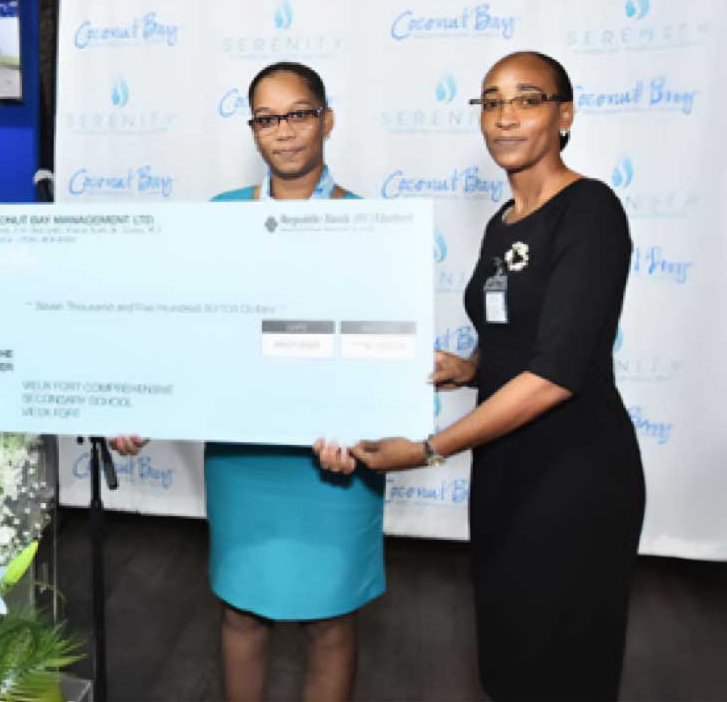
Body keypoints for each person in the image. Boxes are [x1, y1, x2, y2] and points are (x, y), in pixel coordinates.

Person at [314, 51, 645, 701]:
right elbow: (518, 338)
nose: (504, 117)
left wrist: (429, 447)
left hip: (576, 476)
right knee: (508, 652)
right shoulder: (504, 221)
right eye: (491, 101)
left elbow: (557, 370)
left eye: (526, 99)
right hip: (505, 470)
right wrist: (468, 368)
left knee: (563, 664)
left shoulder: (591, 212)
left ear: (565, 114)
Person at [112, 61, 384, 702]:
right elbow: (189, 334)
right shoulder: (219, 217)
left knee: (331, 618)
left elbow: (380, 348)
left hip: (336, 456)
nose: (284, 132)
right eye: (267, 118)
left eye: (299, 114)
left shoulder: (373, 222)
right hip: (245, 456)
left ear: (327, 118)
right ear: (253, 130)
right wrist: (144, 406)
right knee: (241, 610)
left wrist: (366, 425)